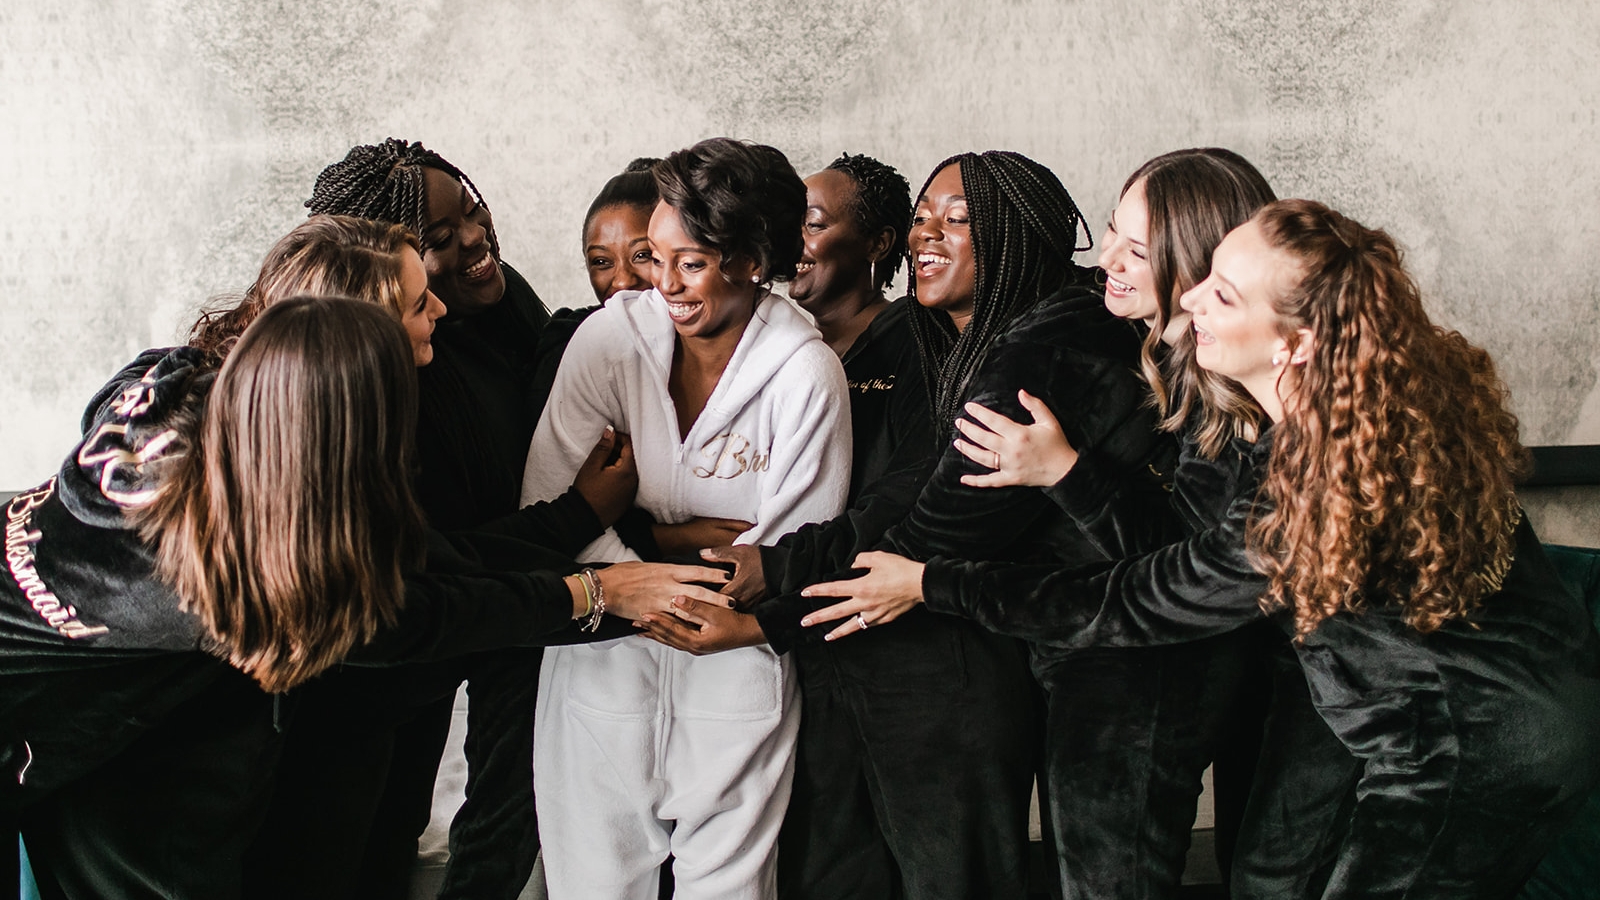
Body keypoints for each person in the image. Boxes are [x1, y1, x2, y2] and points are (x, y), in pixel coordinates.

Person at [806, 199, 1600, 899]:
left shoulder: (1309, 489)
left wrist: (933, 582)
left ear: (1295, 342)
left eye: (1221, 293)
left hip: (1474, 747)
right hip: (1464, 701)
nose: (1190, 297)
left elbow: (1135, 600)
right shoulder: (1361, 401)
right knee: (1267, 877)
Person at [3, 291, 723, 899]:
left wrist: (587, 531)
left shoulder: (181, 385)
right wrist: (598, 594)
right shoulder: (218, 576)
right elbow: (419, 616)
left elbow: (425, 566)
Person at [939, 148, 1292, 887]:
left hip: (1189, 661)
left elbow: (1189, 566)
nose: (1107, 261)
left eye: (1137, 249)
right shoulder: (1162, 349)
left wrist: (1062, 471)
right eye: (1109, 234)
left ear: (1201, 265)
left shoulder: (1240, 385)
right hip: (1179, 648)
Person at [520, 138, 852, 899]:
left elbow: (788, 553)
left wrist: (637, 535)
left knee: (731, 889)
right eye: (654, 257)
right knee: (590, 886)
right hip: (597, 653)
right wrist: (663, 549)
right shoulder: (606, 342)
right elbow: (546, 506)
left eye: (691, 263)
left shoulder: (806, 373)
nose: (662, 284)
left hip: (733, 666)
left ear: (751, 258)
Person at [260, 138, 571, 900]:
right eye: (435, 242)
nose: (473, 240)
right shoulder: (362, 390)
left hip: (461, 627)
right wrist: (578, 553)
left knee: (407, 840)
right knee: (337, 861)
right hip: (364, 666)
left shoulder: (493, 307)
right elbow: (407, 567)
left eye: (469, 210)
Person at [634, 151, 940, 898]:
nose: (792, 240)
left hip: (864, 643)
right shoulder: (734, 342)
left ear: (878, 245)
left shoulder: (914, 352)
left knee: (854, 860)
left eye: (814, 223)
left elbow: (883, 518)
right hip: (772, 645)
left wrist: (761, 605)